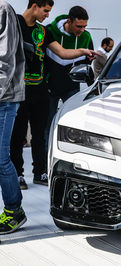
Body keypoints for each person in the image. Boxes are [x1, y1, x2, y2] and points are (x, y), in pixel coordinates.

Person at [10, 1, 96, 190]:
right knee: (17, 135)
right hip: (18, 89)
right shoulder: (13, 23)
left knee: (40, 135)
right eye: (45, 10)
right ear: (34, 6)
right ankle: (17, 174)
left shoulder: (44, 31)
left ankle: (40, 172)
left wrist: (82, 51)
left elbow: (63, 53)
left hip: (40, 89)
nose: (48, 15)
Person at [45, 6, 95, 158]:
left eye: (85, 26)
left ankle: (72, 157)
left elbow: (88, 65)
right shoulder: (49, 31)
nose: (82, 30)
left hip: (72, 88)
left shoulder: (86, 37)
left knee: (74, 125)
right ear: (69, 21)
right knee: (47, 126)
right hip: (49, 87)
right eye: (79, 26)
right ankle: (47, 158)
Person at [0, 0, 27, 234]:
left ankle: (13, 210)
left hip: (4, 98)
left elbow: (4, 60)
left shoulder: (2, 10)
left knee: (0, 158)